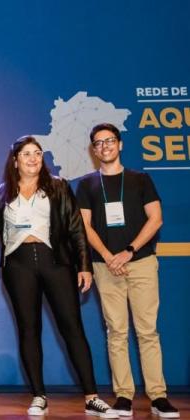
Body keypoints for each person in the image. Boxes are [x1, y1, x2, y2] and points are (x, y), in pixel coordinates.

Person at [0, 136, 117, 418]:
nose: (33, 158)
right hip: (18, 266)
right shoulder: (3, 192)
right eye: (26, 154)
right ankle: (39, 396)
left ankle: (92, 396)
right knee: (28, 330)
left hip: (57, 264)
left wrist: (84, 265)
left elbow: (76, 228)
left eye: (37, 153)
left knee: (72, 328)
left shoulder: (59, 186)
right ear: (15, 160)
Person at [75, 123, 179, 418]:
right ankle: (123, 396)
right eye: (98, 143)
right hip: (105, 266)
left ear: (120, 145)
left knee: (147, 332)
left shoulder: (140, 179)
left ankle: (158, 396)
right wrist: (109, 257)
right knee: (116, 332)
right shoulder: (86, 185)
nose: (105, 146)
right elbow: (85, 225)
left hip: (142, 262)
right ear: (93, 150)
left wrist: (128, 251)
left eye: (110, 141)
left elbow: (155, 219)